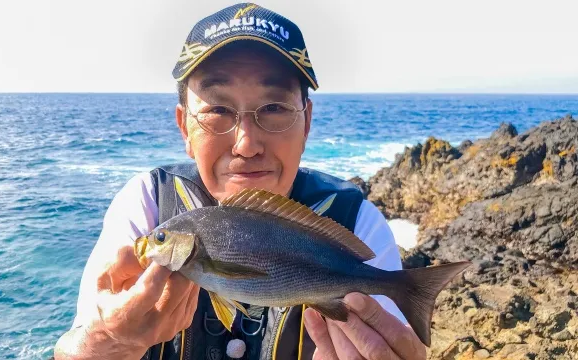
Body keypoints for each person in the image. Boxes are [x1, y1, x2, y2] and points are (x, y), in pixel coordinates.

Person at [54, 3, 427, 360]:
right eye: (218, 110)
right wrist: (105, 342)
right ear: (185, 126)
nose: (246, 144)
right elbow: (75, 346)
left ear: (307, 122)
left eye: (274, 108)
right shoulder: (148, 203)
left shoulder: (356, 218)